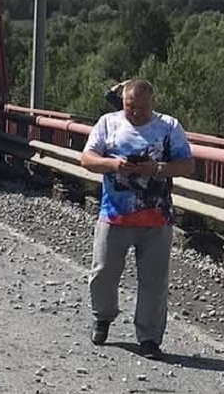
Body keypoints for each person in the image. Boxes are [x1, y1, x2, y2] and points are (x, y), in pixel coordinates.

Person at [80, 79, 196, 360]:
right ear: (123, 101)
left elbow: (188, 165)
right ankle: (103, 316)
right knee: (103, 272)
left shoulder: (169, 127)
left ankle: (149, 338)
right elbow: (86, 159)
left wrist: (156, 168)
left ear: (152, 105)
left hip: (157, 218)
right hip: (114, 215)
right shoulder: (108, 123)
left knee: (154, 282)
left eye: (142, 109)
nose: (135, 113)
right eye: (131, 107)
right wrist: (113, 164)